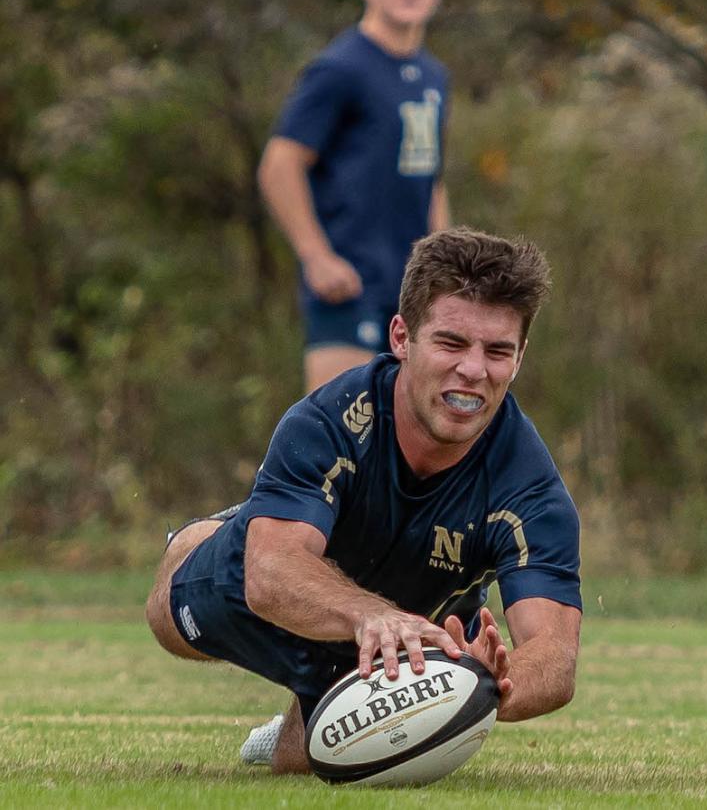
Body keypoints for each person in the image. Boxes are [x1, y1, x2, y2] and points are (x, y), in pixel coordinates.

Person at [145, 227, 582, 774]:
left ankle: (307, 712)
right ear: (402, 338)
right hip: (298, 580)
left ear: (519, 358)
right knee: (167, 613)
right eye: (451, 343)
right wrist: (372, 615)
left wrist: (491, 682)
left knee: (313, 766)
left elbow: (555, 657)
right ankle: (229, 527)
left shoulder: (532, 489)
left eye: (497, 351)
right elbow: (269, 572)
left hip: (420, 626)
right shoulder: (327, 422)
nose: (474, 370)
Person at [258, 0, 452, 394]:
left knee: (406, 445)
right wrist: (316, 257)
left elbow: (431, 179)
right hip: (349, 285)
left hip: (410, 287)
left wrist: (447, 266)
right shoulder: (341, 68)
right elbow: (279, 165)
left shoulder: (433, 75)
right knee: (339, 436)